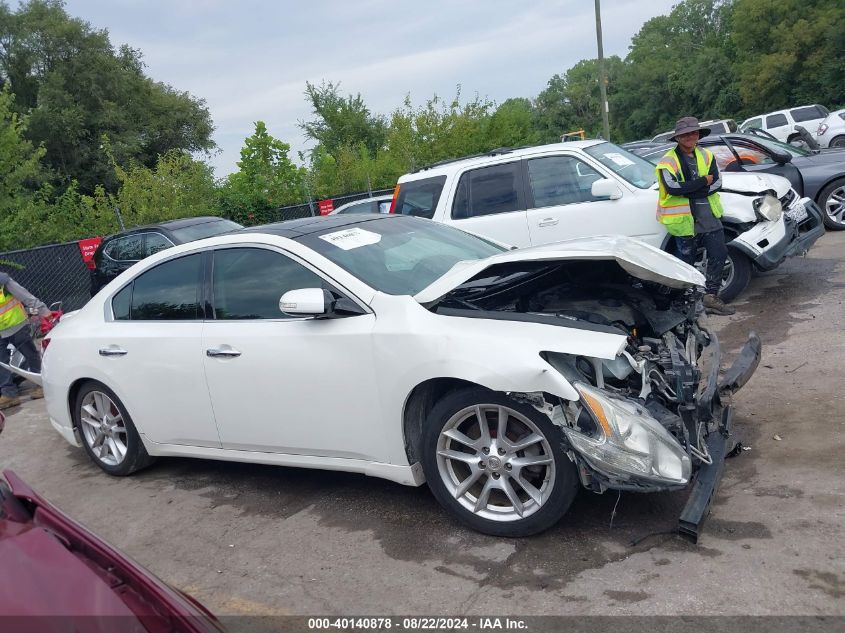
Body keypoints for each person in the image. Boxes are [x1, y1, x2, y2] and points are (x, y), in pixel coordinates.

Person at [655, 116, 736, 316]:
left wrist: (691, 189)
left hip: (708, 216)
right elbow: (672, 189)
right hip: (684, 223)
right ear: (678, 138)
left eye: (694, 132)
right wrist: (702, 182)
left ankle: (711, 297)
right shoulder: (668, 161)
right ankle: (684, 305)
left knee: (719, 255)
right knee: (685, 265)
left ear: (699, 134)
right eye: (685, 134)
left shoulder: (707, 156)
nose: (691, 136)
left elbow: (717, 183)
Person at [0, 272, 51, 409]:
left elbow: (25, 295)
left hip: (17, 325)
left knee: (30, 355)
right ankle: (9, 394)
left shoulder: (3, 282)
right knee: (1, 363)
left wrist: (43, 310)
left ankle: (41, 384)